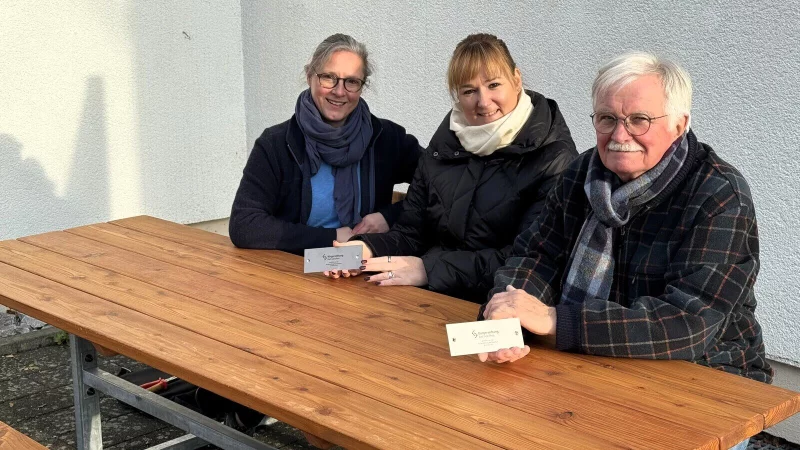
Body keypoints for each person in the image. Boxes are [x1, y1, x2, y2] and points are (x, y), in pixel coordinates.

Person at [480, 50, 772, 392]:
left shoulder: (718, 194)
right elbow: (536, 257)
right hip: (592, 359)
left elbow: (690, 322)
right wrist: (507, 321)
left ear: (679, 125)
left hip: (709, 376)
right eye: (607, 118)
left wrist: (554, 319)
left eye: (639, 120)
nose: (620, 136)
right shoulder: (581, 173)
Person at [328, 34, 577, 303]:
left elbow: (528, 261)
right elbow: (411, 233)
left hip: (500, 307)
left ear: (516, 80)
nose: (483, 101)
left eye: (494, 85)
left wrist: (428, 269)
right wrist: (365, 248)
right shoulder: (444, 145)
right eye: (469, 91)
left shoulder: (554, 159)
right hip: (430, 296)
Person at [229, 34, 422, 254]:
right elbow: (244, 224)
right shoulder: (276, 144)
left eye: (352, 81)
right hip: (296, 266)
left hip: (366, 264)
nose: (339, 92)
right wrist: (331, 237)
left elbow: (439, 187)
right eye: (329, 77)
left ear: (362, 86)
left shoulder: (385, 138)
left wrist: (389, 216)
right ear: (310, 76)